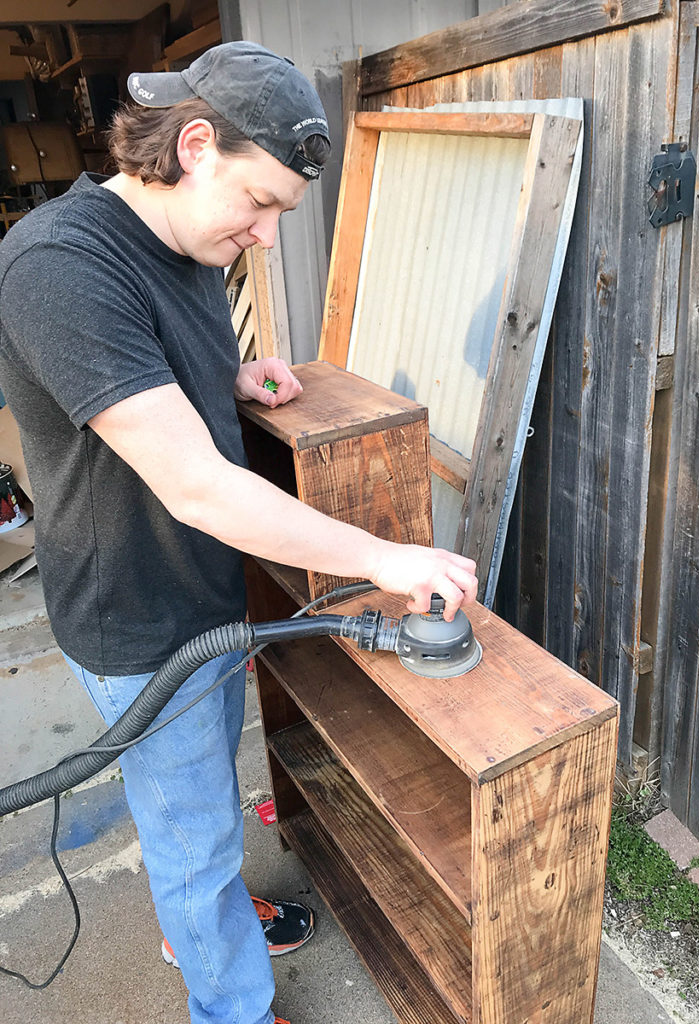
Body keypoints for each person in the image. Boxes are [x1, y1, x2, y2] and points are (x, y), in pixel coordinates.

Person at [0, 42, 477, 1024]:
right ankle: (232, 1006)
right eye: (260, 204)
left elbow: (145, 366)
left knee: (198, 794)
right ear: (197, 145)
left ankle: (199, 916)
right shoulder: (57, 264)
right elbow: (196, 487)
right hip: (136, 612)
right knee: (194, 829)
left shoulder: (185, 240)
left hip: (200, 597)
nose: (266, 236)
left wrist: (230, 375)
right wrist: (386, 558)